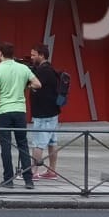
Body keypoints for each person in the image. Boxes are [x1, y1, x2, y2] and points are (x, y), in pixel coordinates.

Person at [0, 42, 40, 189]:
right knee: (22, 144)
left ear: (0, 54)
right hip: (20, 111)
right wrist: (26, 86)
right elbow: (38, 84)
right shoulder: (23, 68)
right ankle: (28, 180)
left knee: (6, 146)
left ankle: (8, 179)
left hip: (3, 111)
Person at [27, 45, 63, 181]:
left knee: (37, 143)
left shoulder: (43, 71)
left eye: (33, 55)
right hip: (52, 111)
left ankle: (33, 171)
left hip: (43, 113)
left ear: (41, 55)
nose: (31, 58)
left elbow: (36, 85)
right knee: (52, 141)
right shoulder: (50, 69)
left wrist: (30, 85)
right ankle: (52, 170)